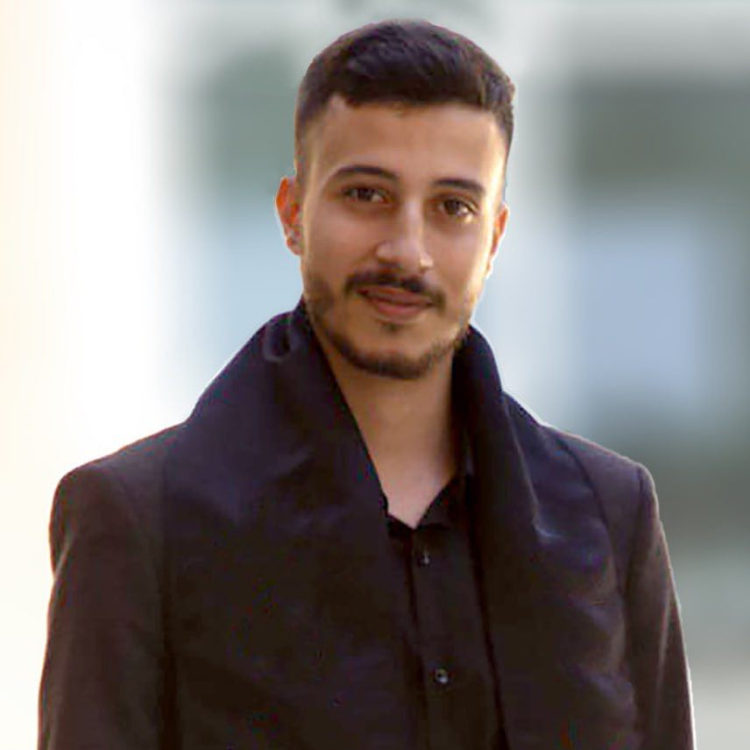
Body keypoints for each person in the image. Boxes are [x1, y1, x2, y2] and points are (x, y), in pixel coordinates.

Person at [38, 19, 694, 750]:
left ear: (494, 238)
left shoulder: (611, 516)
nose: (406, 251)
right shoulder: (136, 522)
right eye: (366, 194)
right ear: (293, 214)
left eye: (453, 207)